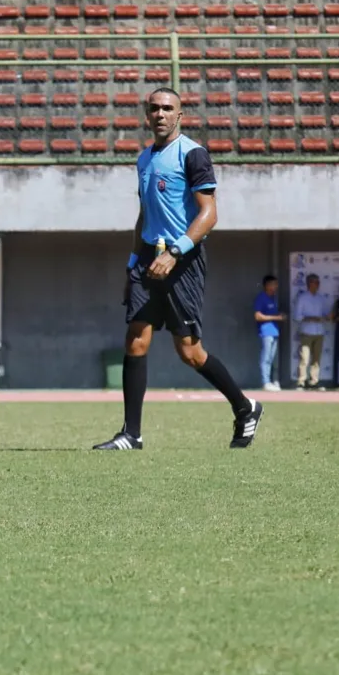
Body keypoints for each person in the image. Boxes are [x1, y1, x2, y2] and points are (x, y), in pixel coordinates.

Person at [94, 87, 263, 451]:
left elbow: (209, 213)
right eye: (153, 108)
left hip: (181, 262)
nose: (160, 114)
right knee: (135, 340)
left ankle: (245, 407)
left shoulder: (193, 154)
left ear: (180, 115)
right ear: (146, 114)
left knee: (189, 352)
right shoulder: (143, 159)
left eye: (167, 108)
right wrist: (131, 265)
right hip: (146, 261)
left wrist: (175, 251)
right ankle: (131, 435)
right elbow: (144, 216)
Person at [294, 273, 332, 390]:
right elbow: (297, 316)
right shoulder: (302, 298)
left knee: (316, 359)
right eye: (315, 282)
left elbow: (326, 314)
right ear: (309, 283)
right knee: (304, 358)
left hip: (319, 332)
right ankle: (301, 382)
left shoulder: (321, 298)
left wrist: (329, 316)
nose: (318, 284)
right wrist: (312, 318)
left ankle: (314, 382)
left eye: (318, 282)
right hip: (306, 332)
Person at [253, 275, 285, 391]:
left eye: (276, 284)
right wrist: (276, 317)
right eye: (273, 284)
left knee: (272, 358)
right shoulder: (261, 298)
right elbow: (257, 316)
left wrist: (280, 316)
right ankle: (265, 382)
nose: (276, 286)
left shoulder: (274, 298)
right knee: (265, 357)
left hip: (275, 331)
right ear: (267, 285)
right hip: (266, 332)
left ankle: (272, 381)